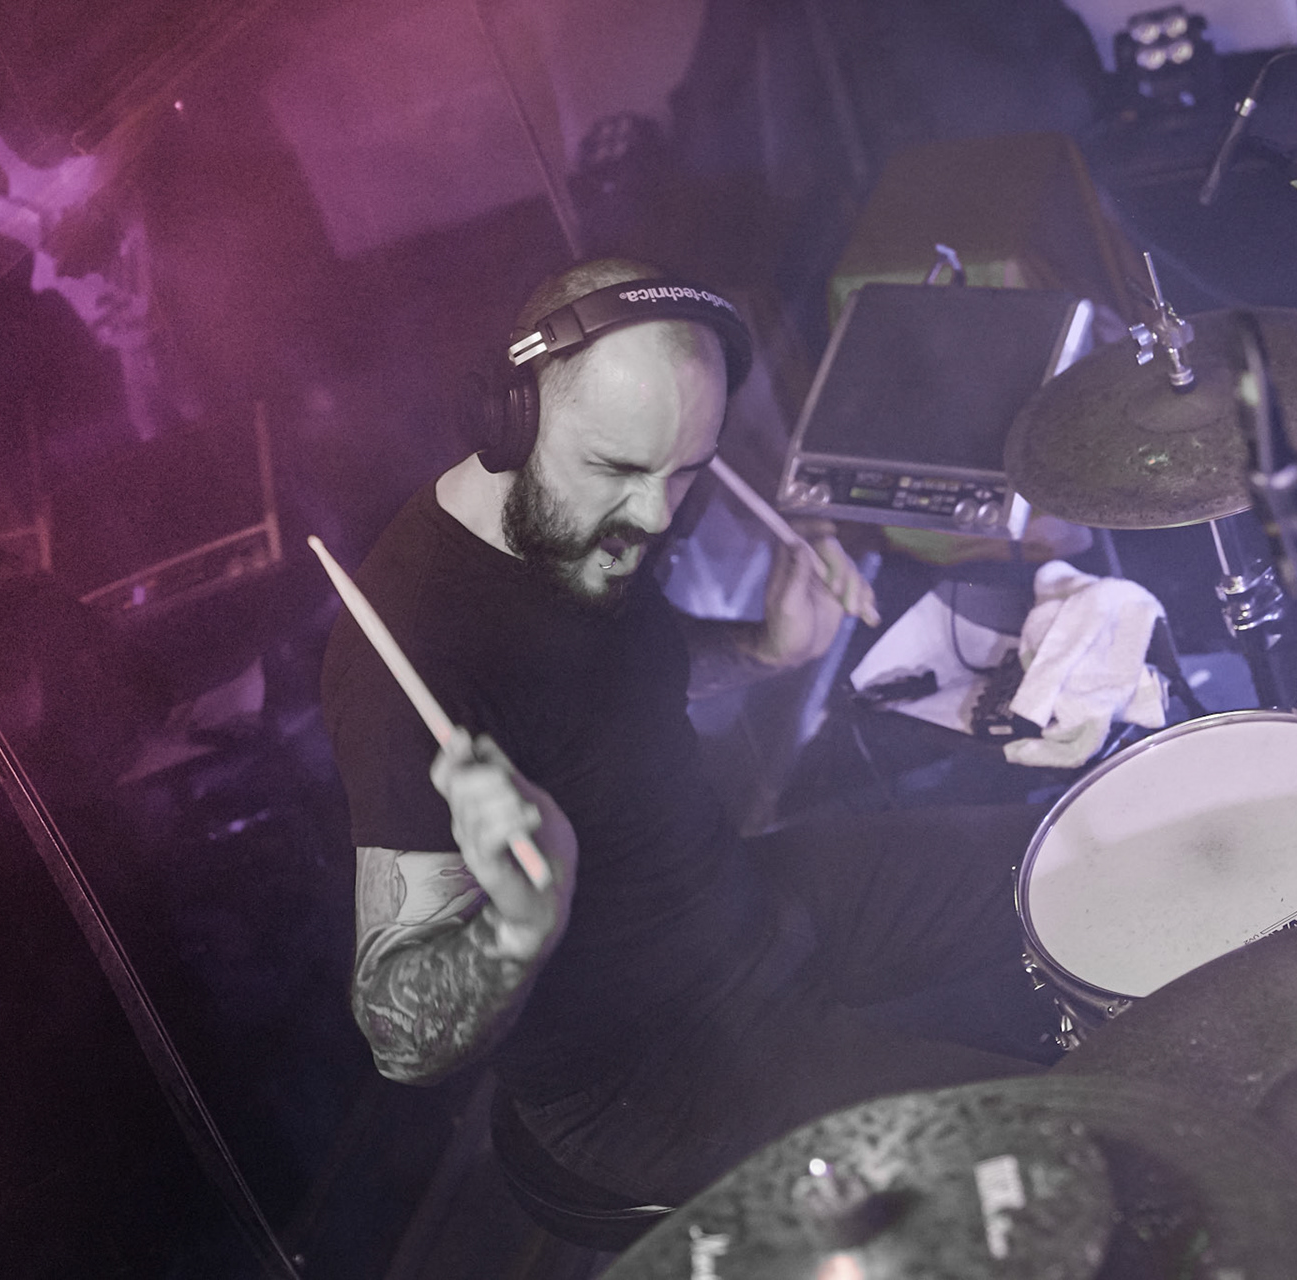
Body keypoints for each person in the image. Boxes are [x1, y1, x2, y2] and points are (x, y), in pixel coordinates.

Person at [319, 258, 1053, 1208]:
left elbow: (614, 694)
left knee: (1070, 857)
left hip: (748, 908)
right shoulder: (409, 655)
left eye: (685, 471)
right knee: (1042, 1155)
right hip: (646, 1076)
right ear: (512, 421)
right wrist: (516, 928)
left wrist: (768, 648)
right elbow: (397, 1038)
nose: (656, 513)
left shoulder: (600, 515)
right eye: (619, 471)